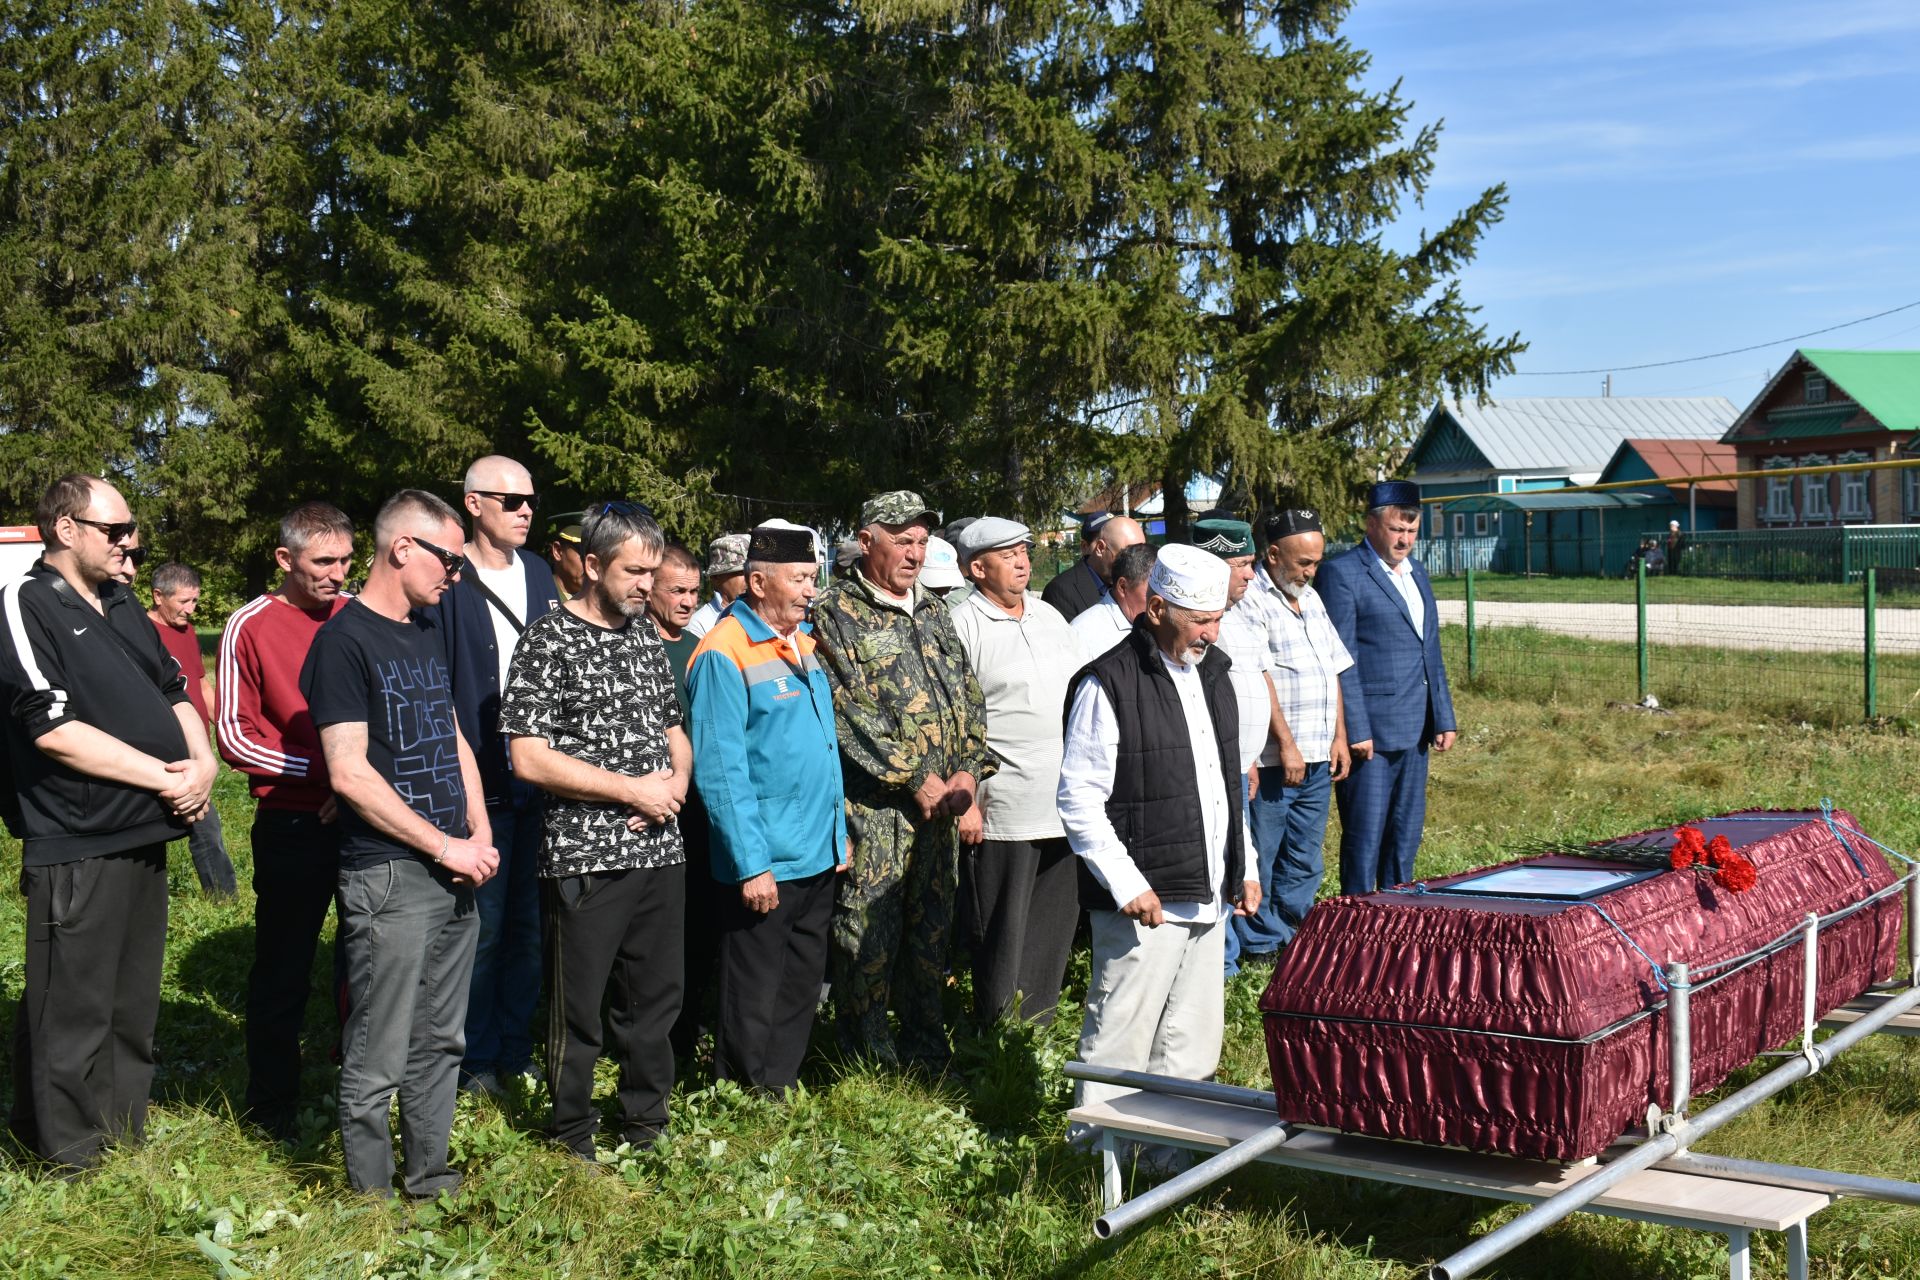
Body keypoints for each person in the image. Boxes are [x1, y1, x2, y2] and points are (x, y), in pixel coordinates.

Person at [0, 474, 218, 1173]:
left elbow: (172, 689)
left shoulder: (122, 603)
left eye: (132, 529)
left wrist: (202, 763)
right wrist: (165, 777)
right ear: (66, 529)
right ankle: (68, 1157)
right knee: (72, 1007)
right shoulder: (26, 603)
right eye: (116, 530)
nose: (131, 541)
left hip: (145, 831)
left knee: (130, 1006)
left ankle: (122, 1137)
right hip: (78, 838)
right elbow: (51, 729)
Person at [302, 488, 498, 1199]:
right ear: (402, 548)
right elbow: (349, 774)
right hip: (390, 873)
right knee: (379, 1047)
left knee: (442, 1040)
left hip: (456, 867)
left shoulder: (422, 628)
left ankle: (430, 1175)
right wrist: (443, 848)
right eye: (449, 557)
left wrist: (477, 828)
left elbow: (450, 736)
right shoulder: (343, 642)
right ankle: (370, 1197)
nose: (457, 572)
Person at [500, 502, 689, 1161]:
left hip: (661, 849)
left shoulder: (643, 636)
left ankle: (645, 1126)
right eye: (634, 571)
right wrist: (630, 789)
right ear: (590, 564)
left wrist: (674, 786)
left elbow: (674, 728)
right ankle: (571, 1135)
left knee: (655, 1002)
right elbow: (528, 756)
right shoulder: (547, 641)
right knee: (577, 1012)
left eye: (653, 571)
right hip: (586, 857)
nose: (647, 585)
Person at [1058, 544, 1259, 1121]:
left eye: (1219, 617)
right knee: (1121, 1032)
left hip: (1208, 889)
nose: (1213, 633)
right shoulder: (1107, 683)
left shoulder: (1215, 675)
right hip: (1143, 898)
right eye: (1201, 620)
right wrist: (1128, 885)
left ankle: (1172, 1148)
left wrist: (1243, 865)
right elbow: (1078, 800)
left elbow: (1224, 785)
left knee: (1191, 1037)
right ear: (1157, 608)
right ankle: (1098, 1151)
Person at [812, 490, 991, 1070]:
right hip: (879, 809)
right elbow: (846, 712)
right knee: (869, 934)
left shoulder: (934, 610)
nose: (914, 553)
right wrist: (915, 778)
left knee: (932, 933)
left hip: (942, 808)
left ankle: (926, 1045)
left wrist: (966, 770)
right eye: (902, 541)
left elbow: (967, 694)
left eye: (921, 541)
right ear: (867, 542)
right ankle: (867, 1057)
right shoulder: (834, 611)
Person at [688, 524, 848, 1092]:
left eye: (812, 577)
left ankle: (778, 1086)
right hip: (765, 856)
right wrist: (751, 863)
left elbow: (822, 747)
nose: (811, 590)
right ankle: (742, 1094)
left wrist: (838, 834)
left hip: (815, 849)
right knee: (753, 987)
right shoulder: (722, 652)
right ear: (757, 582)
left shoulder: (802, 640)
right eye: (800, 579)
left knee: (802, 978)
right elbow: (721, 771)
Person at [217, 500, 356, 1142]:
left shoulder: (361, 615)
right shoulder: (249, 624)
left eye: (347, 560)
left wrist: (362, 785)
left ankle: (359, 1086)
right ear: (284, 559)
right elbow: (235, 738)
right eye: (322, 561)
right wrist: (333, 775)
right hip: (292, 824)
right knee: (283, 966)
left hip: (363, 820)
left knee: (366, 962)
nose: (337, 574)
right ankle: (271, 1106)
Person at [439, 455, 561, 1096]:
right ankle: (472, 1059)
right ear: (474, 504)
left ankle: (514, 1048)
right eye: (512, 501)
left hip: (536, 784)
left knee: (526, 930)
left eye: (530, 502)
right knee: (478, 932)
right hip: (476, 782)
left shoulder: (539, 573)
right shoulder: (447, 578)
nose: (526, 512)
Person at [947, 518, 1081, 1027]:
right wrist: (970, 802)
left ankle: (1037, 1027)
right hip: (1002, 805)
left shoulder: (1048, 615)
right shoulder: (962, 623)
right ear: (977, 568)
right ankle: (998, 1030)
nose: (1023, 561)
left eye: (1024, 550)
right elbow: (955, 719)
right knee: (1003, 925)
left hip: (1061, 799)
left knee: (1053, 921)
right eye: (1008, 555)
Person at [1316, 481, 1456, 896]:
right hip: (1371, 735)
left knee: (1405, 834)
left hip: (1415, 729)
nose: (1405, 540)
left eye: (1411, 531)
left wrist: (1443, 716)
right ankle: (1359, 921)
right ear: (1372, 524)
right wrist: (1355, 728)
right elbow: (1342, 659)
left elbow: (1430, 651)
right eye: (1397, 530)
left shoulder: (1418, 575)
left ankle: (1398, 918)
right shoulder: (1341, 574)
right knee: (1365, 835)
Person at [1228, 509, 1353, 966]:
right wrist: (1285, 743)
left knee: (1305, 853)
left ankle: (1294, 934)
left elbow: (1330, 668)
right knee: (1266, 849)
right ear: (1273, 554)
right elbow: (1262, 679)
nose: (1310, 571)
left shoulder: (1311, 598)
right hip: (1277, 757)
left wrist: (1340, 735)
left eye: (1316, 562)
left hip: (1319, 752)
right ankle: (1261, 942)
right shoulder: (1251, 602)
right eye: (1303, 562)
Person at [1191, 518, 1289, 978]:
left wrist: (1250, 757)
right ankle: (1221, 966)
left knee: (1241, 859)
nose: (1251, 575)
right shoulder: (1197, 626)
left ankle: (1231, 956)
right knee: (1219, 864)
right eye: (1242, 564)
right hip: (1207, 772)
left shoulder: (1245, 617)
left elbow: (1256, 685)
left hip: (1240, 768)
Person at [649, 542, 717, 1060]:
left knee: (698, 923)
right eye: (677, 590)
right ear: (649, 585)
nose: (688, 601)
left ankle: (688, 1030)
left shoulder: (698, 646)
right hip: (650, 807)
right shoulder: (633, 646)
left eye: (696, 591)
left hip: (699, 810)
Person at [141, 560, 240, 898]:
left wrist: (224, 730)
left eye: (195, 600)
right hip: (160, 749)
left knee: (204, 822)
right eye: (183, 601)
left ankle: (222, 897)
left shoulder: (187, 630)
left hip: (195, 748)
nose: (191, 609)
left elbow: (200, 683)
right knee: (150, 825)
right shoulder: (139, 630)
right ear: (158, 596)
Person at [1041, 512, 1146, 622]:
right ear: (1100, 548)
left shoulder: (1140, 583)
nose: (1135, 563)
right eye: (1128, 555)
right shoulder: (1060, 592)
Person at [1070, 542, 1156, 665]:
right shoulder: (1083, 635)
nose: (1160, 602)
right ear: (1123, 587)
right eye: (1152, 591)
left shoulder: (1161, 626)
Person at [687, 534, 749, 639]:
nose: (750, 579)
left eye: (752, 572)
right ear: (715, 578)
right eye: (741, 572)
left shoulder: (766, 614)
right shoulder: (699, 625)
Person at [547, 512, 585, 600]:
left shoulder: (602, 604)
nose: (590, 563)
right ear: (558, 551)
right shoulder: (538, 596)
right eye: (583, 552)